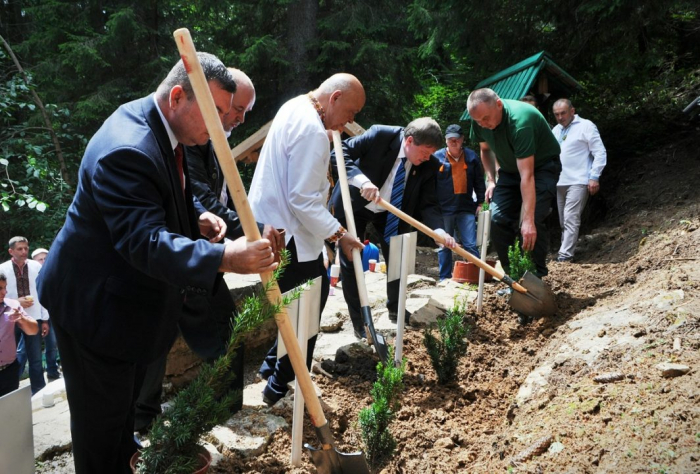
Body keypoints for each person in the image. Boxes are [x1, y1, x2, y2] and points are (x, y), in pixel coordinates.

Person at [36, 52, 277, 474]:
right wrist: (226, 257)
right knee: (100, 428)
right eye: (216, 112)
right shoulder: (127, 149)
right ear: (179, 96)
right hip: (94, 309)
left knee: (120, 413)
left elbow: (157, 198)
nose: (222, 124)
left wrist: (190, 219)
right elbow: (143, 241)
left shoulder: (160, 127)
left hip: (122, 304)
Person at [134, 68, 283, 433]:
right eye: (233, 108)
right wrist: (238, 242)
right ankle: (146, 420)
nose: (237, 117)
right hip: (185, 260)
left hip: (196, 253)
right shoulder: (180, 134)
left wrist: (203, 219)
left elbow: (203, 199)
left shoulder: (206, 133)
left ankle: (222, 409)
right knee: (161, 341)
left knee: (218, 333)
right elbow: (197, 196)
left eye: (242, 110)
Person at [248, 73, 366, 406]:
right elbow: (303, 199)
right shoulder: (314, 131)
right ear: (336, 97)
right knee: (308, 308)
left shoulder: (295, 105)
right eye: (351, 112)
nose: (349, 122)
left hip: (276, 226)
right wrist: (339, 235)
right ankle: (280, 387)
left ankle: (270, 366)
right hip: (289, 236)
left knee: (296, 306)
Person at [329, 117, 455, 334]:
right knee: (353, 259)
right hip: (355, 203)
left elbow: (429, 204)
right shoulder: (380, 134)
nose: (427, 157)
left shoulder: (430, 165)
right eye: (425, 151)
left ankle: (396, 307)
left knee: (396, 256)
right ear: (409, 141)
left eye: (431, 153)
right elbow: (339, 152)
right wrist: (363, 181)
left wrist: (439, 230)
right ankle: (360, 320)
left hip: (390, 210)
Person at [467, 88, 561, 278]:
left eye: (486, 118)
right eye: (479, 121)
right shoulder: (479, 120)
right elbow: (484, 149)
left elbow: (527, 176)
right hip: (509, 171)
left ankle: (536, 278)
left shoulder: (521, 122)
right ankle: (514, 278)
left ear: (499, 105)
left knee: (532, 220)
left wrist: (527, 220)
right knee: (497, 220)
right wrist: (491, 180)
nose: (483, 124)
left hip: (541, 168)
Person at [552, 99, 607, 262]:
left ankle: (565, 255)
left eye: (563, 113)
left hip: (579, 179)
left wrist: (594, 176)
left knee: (571, 217)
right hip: (559, 181)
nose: (560, 117)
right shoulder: (556, 130)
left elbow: (600, 152)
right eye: (556, 114)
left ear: (572, 111)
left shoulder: (586, 126)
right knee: (563, 220)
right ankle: (565, 250)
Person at [434, 124, 486, 281]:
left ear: (462, 139)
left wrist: (481, 202)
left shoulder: (471, 157)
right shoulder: (436, 158)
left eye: (456, 139)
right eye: (450, 140)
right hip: (444, 208)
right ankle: (444, 278)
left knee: (470, 244)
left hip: (466, 207)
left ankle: (477, 275)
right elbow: (430, 184)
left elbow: (479, 181)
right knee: (444, 244)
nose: (454, 142)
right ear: (446, 140)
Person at [0, 237, 48, 394]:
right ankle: (12, 391)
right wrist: (17, 301)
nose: (24, 252)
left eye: (26, 248)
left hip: (34, 318)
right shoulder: (3, 269)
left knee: (35, 358)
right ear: (11, 251)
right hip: (9, 320)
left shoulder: (36, 266)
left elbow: (43, 293)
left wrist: (45, 318)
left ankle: (39, 391)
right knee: (11, 357)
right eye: (20, 249)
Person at [0, 272, 39, 397]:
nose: (4, 292)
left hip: (9, 371)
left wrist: (22, 318)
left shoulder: (12, 305)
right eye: (0, 288)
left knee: (11, 412)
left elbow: (33, 330)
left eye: (5, 287)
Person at [31, 247, 61, 381]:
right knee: (31, 349)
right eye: (40, 259)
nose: (43, 261)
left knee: (52, 344)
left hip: (53, 313)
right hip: (36, 315)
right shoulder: (31, 274)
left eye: (45, 258)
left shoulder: (54, 271)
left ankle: (52, 371)